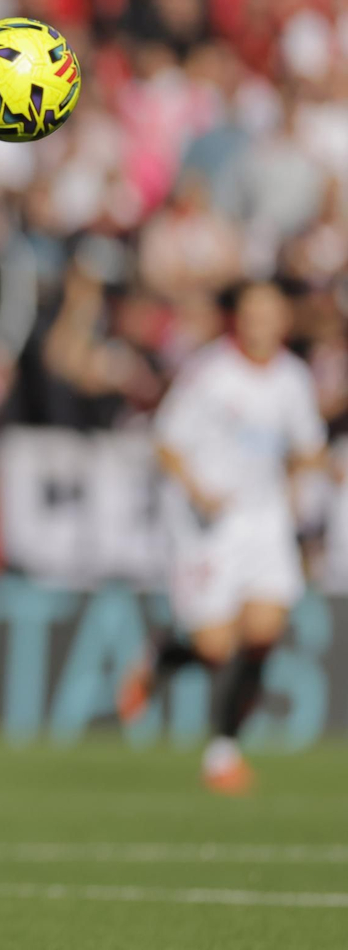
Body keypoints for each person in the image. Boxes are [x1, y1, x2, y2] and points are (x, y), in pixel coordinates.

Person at [115, 281, 331, 794]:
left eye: (272, 312)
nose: (262, 321)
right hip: (206, 524)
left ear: (285, 320)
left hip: (265, 520)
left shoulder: (293, 379)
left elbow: (304, 448)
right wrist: (199, 490)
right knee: (216, 646)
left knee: (261, 633)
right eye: (253, 311)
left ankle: (223, 754)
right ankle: (165, 654)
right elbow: (166, 443)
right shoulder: (209, 373)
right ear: (240, 318)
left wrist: (316, 478)